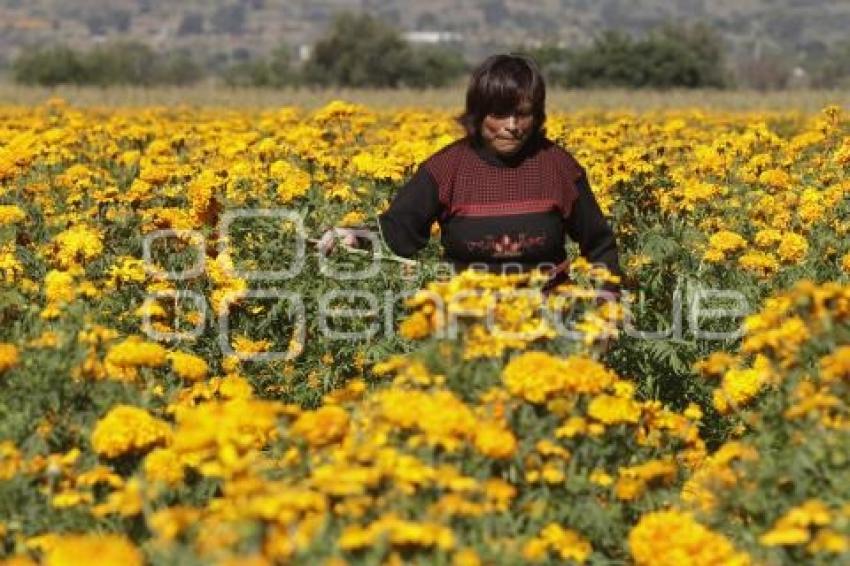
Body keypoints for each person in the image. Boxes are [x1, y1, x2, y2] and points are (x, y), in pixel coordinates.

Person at [319, 53, 622, 296]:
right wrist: (354, 236)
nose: (512, 125)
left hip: (548, 325)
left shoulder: (557, 166)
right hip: (468, 323)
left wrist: (607, 309)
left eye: (523, 113)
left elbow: (599, 246)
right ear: (478, 115)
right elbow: (396, 233)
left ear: (537, 115)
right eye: (499, 114)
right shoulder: (447, 168)